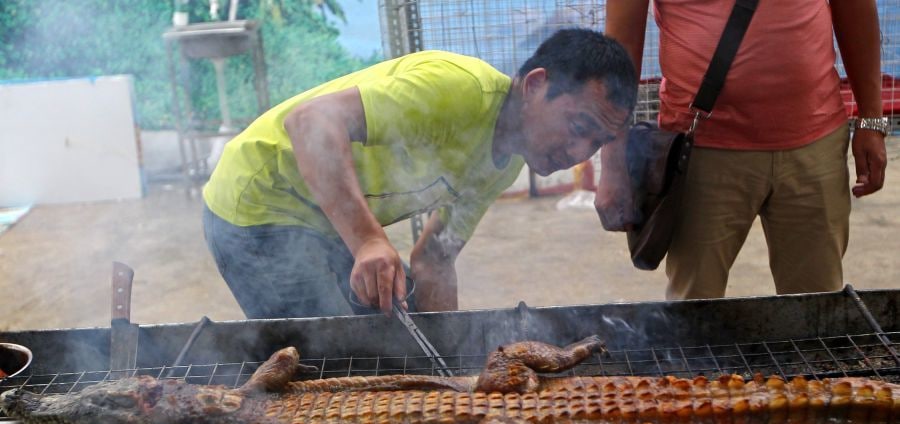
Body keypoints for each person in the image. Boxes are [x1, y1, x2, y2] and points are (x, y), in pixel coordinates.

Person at [203, 28, 637, 318]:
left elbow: (435, 259)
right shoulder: (457, 90)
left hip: (321, 223)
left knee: (398, 344)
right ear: (535, 85)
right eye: (579, 127)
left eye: (596, 143)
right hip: (259, 202)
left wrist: (450, 364)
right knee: (330, 364)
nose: (580, 152)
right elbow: (310, 123)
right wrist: (370, 239)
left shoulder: (504, 162)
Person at [595, 0, 888, 300]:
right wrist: (613, 162)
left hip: (814, 143)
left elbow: (855, 7)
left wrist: (872, 118)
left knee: (816, 311)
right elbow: (620, 46)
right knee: (694, 312)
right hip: (700, 153)